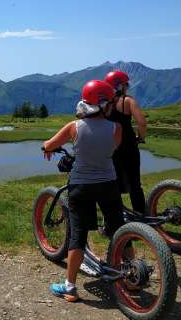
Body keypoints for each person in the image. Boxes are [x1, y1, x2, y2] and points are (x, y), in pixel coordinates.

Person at [43, 80, 126, 302]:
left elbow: (50, 144)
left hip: (81, 186)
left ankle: (70, 287)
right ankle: (130, 278)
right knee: (119, 228)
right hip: (109, 184)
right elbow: (111, 148)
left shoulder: (74, 127)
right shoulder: (116, 128)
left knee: (78, 234)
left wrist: (46, 147)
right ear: (104, 104)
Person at [104, 71, 147, 215]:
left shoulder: (106, 104)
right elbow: (142, 122)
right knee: (135, 183)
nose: (128, 87)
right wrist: (141, 137)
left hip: (111, 146)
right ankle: (140, 215)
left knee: (113, 182)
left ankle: (116, 217)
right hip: (129, 145)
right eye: (126, 84)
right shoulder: (128, 101)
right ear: (120, 86)